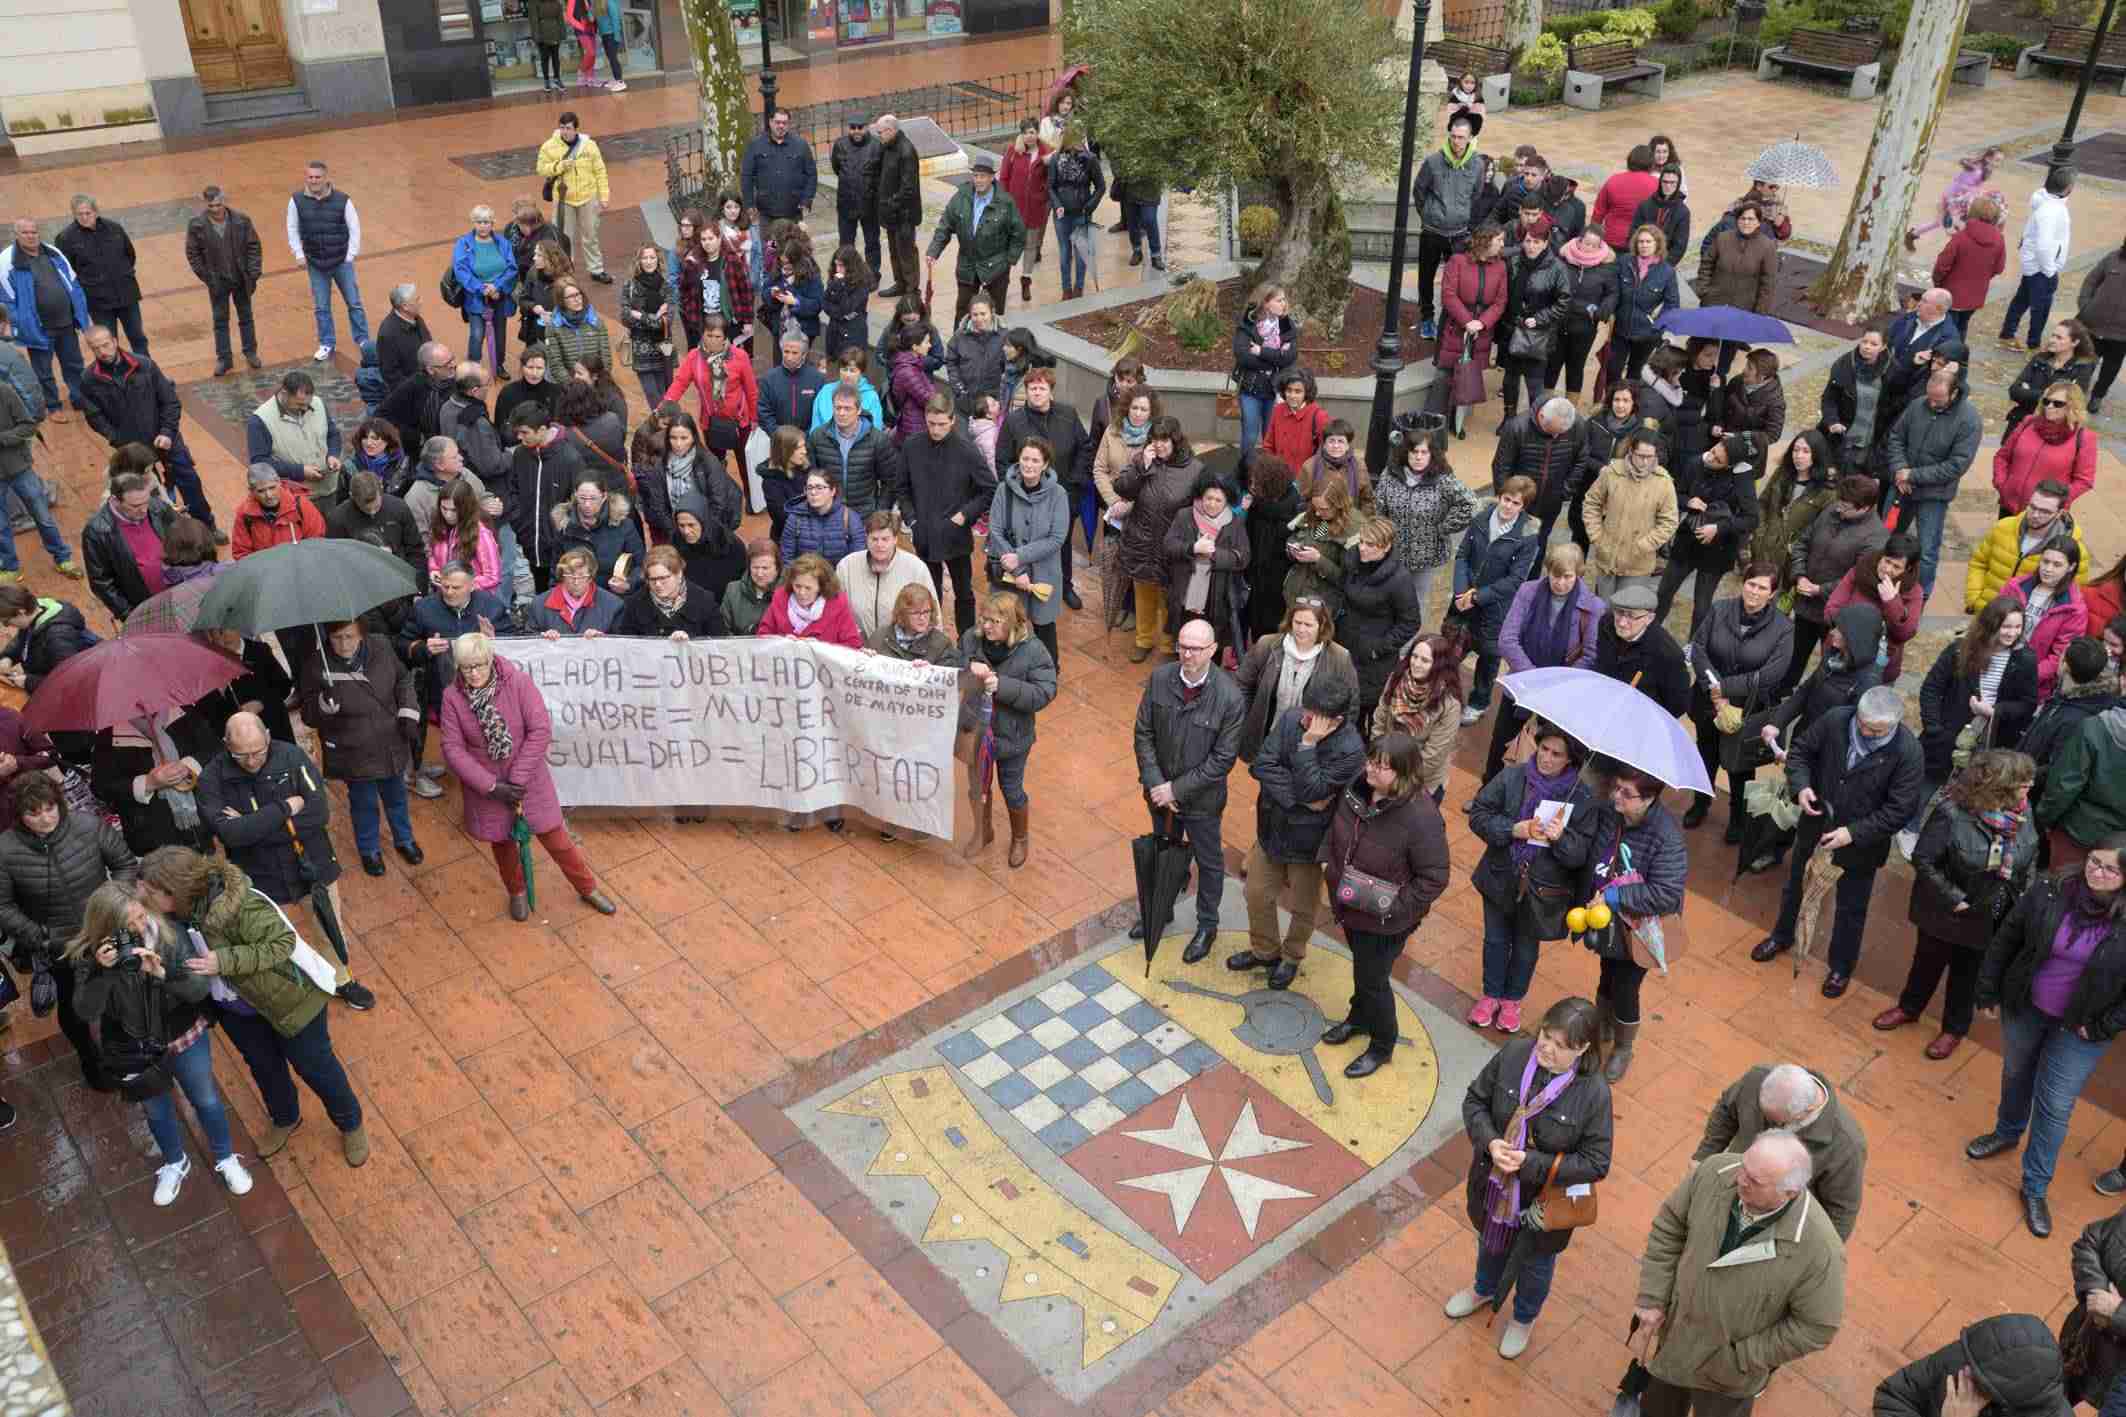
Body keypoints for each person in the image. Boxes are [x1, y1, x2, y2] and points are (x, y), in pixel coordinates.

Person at [140, 844, 369, 1164]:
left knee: (316, 1068)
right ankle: (286, 1118)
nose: (146, 899)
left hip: (291, 1002)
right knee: (265, 1068)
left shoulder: (241, 905)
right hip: (239, 1011)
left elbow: (282, 943)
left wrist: (225, 961)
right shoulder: (179, 915)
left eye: (152, 893)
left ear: (175, 890)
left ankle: (350, 1123)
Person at [1967, 838, 2126, 1238]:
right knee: (2016, 1073)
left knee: (2055, 1106)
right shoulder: (2051, 889)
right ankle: (2006, 1133)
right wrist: (1987, 990)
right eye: (2094, 861)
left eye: (2110, 869)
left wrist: (2105, 1026)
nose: (2097, 872)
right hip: (2027, 1006)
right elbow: (2008, 938)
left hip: (2081, 1029)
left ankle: (2035, 1186)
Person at [1631, 1132, 1846, 1414]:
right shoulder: (1716, 1170)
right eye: (1744, 1166)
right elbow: (1670, 1225)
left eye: (1755, 1180)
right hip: (1674, 1339)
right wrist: (1653, 1295)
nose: (1740, 1179)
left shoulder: (1820, 1250)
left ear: (1789, 1192)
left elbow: (1817, 1326)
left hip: (1728, 1377)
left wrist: (1742, 1358)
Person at [70, 880, 253, 1205]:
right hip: (133, 1049)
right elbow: (86, 1010)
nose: (139, 928)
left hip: (182, 1035)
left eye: (141, 917)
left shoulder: (169, 935)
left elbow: (198, 990)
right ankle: (174, 1161)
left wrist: (162, 974)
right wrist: (103, 973)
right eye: (127, 925)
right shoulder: (91, 955)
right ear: (105, 927)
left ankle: (225, 1157)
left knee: (206, 1099)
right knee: (155, 1110)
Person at [1447, 996, 1611, 1358]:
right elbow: (1475, 1101)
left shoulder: (1594, 1093)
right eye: (1545, 1037)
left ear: (1582, 1049)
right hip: (1493, 1183)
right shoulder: (1516, 1053)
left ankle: (1523, 1318)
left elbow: (1597, 1161)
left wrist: (1531, 1162)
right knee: (1489, 1242)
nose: (1547, 1049)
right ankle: (1484, 1289)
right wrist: (1490, 1142)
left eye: (1559, 1045)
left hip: (1542, 1204)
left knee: (1535, 1264)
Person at [1750, 685, 1925, 998]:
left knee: (1851, 907)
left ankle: (1841, 968)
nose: (1864, 730)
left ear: (1893, 725)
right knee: (1795, 885)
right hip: (1816, 824)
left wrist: (1853, 833)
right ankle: (1781, 935)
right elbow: (1801, 751)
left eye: (1875, 730)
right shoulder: (1836, 720)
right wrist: (1801, 786)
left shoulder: (1908, 752)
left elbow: (1900, 810)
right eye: (1862, 723)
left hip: (1861, 847)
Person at [196, 711, 374, 1009]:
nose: (252, 761)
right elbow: (231, 835)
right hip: (258, 875)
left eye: (258, 751)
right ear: (226, 744)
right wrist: (285, 809)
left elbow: (318, 814)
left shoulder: (292, 757)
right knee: (269, 937)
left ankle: (342, 980)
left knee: (329, 929)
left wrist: (252, 824)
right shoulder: (212, 779)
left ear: (267, 735)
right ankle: (293, 990)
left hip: (312, 864)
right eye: (241, 755)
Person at [441, 633, 617, 920]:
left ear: (490, 660)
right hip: (489, 789)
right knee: (503, 846)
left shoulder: (518, 683)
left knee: (558, 840)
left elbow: (539, 730)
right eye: (466, 667)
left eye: (479, 665)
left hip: (528, 782)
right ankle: (517, 892)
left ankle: (587, 887)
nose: (473, 673)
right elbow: (452, 748)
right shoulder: (452, 697)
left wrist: (518, 779)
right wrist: (491, 786)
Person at [1881, 749, 2042, 1061]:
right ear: (2001, 787)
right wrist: (1955, 899)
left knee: (1968, 974)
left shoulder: (2023, 810)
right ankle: (1909, 1008)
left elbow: (2032, 852)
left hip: (1992, 913)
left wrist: (2025, 890)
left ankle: (1954, 1029)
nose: (2030, 788)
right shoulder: (1952, 812)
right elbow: (1924, 859)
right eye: (2024, 783)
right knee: (1927, 963)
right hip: (1947, 912)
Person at [1320, 730, 1452, 1078]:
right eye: (1370, 761)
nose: (1370, 771)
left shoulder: (1422, 817)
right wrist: (1328, 864)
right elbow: (1334, 826)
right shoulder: (1358, 786)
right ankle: (1358, 1019)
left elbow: (1434, 877)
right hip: (1350, 905)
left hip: (1386, 921)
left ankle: (1382, 1044)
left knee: (1374, 979)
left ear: (1404, 773)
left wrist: (1390, 906)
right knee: (1363, 970)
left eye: (1381, 767)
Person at [0, 773, 137, 1088]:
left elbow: (125, 864)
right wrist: (41, 936)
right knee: (75, 1010)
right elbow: (3, 907)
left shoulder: (88, 826)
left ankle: (130, 1053)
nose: (45, 818)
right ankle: (92, 1063)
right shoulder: (5, 850)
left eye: (49, 808)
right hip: (59, 946)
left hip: (107, 930)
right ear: (20, 816)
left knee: (121, 994)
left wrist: (115, 907)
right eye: (33, 813)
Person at [1234, 673, 1366, 988]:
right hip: (1273, 828)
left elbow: (1314, 789)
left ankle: (1292, 956)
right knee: (1256, 893)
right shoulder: (1293, 717)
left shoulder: (1351, 750)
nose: (1304, 718)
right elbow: (1262, 765)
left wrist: (1307, 746)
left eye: (1313, 717)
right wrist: (1303, 800)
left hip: (1310, 842)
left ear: (1334, 720)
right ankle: (1264, 950)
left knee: (1303, 907)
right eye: (1306, 710)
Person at [1468, 725, 1599, 1030]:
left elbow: (1580, 855)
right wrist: (1513, 829)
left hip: (1543, 890)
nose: (1547, 759)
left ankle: (1512, 1000)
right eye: (1544, 749)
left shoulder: (1581, 798)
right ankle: (1491, 995)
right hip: (1501, 875)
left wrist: (1561, 838)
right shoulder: (1514, 777)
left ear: (1570, 760)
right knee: (1496, 940)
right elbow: (1479, 813)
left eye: (1557, 754)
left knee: (1526, 948)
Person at [1131, 616, 1247, 953]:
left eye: (1196, 648)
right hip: (1159, 794)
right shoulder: (1159, 679)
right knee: (1163, 854)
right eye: (1182, 646)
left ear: (1212, 650)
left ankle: (1206, 926)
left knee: (1210, 863)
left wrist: (1176, 790)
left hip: (1202, 802)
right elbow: (1144, 733)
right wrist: (1156, 784)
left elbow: (1222, 760)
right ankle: (1160, 910)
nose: (1187, 654)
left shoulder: (1229, 697)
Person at [1691, 1062, 1870, 1245]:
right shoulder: (1758, 1078)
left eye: (1774, 1121)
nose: (1767, 1124)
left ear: (1804, 1112)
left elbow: (1841, 1212)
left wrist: (1813, 1257)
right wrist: (1704, 1156)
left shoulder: (1847, 1145)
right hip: (1729, 1194)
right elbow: (1727, 1111)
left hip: (1774, 1228)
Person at [299, 621, 423, 878]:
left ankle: (404, 839)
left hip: (390, 740)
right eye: (336, 638)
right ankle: (369, 849)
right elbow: (308, 714)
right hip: (352, 748)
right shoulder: (316, 663)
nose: (343, 644)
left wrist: (409, 712)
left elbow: (403, 680)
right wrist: (322, 706)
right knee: (363, 802)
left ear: (362, 635)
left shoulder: (382, 646)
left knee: (396, 796)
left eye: (349, 637)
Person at [1682, 563, 1791, 833]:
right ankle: (1700, 802)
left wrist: (1726, 689)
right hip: (1709, 701)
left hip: (1746, 709)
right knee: (1706, 753)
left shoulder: (1783, 628)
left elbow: (1771, 674)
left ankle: (1738, 819)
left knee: (1740, 766)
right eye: (1751, 584)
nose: (1754, 591)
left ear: (1772, 593)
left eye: (1762, 587)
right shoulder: (1720, 609)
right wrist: (1715, 693)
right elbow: (1698, 649)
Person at [76, 327, 216, 529]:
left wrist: (167, 432)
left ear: (115, 341)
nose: (103, 352)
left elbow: (170, 401)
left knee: (189, 481)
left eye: (106, 345)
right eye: (96, 348)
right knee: (148, 494)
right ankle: (168, 532)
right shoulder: (89, 380)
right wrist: (116, 438)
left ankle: (207, 525)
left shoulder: (144, 365)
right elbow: (94, 416)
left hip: (166, 439)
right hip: (131, 449)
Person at [955, 588, 1056, 863]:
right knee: (978, 788)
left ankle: (1019, 839)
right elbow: (953, 664)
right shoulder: (971, 640)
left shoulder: (1033, 650)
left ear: (1013, 622)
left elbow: (1045, 691)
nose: (986, 626)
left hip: (1013, 737)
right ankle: (983, 831)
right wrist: (967, 667)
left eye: (994, 621)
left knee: (1012, 789)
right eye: (984, 619)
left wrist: (1003, 686)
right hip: (975, 732)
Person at [1781, 475, 1888, 696]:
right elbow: (1803, 542)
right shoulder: (1832, 510)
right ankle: (1779, 696)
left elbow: (1860, 578)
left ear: (1865, 508)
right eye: (1839, 503)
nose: (1839, 509)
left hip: (1836, 615)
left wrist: (1820, 590)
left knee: (1830, 667)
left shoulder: (1876, 537)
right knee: (1793, 656)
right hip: (1805, 604)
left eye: (1846, 508)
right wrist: (1800, 575)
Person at [898, 392, 994, 634]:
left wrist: (964, 516)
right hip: (924, 533)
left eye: (942, 424)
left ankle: (966, 642)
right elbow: (902, 487)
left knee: (964, 593)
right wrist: (912, 519)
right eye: (931, 423)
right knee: (929, 594)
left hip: (956, 535)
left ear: (952, 421)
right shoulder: (912, 446)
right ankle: (931, 638)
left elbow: (989, 489)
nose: (936, 430)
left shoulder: (967, 451)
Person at [1451, 479, 1541, 722]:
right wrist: (1462, 592)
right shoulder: (1481, 518)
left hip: (1496, 608)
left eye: (1516, 503)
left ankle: (1479, 702)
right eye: (1506, 499)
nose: (1509, 506)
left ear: (1523, 507)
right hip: (1463, 598)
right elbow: (1462, 556)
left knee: (1489, 656)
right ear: (1499, 496)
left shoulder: (1528, 536)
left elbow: (1515, 580)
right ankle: (1443, 694)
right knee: (1450, 649)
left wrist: (1478, 597)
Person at [1114, 416, 1201, 661]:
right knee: (1144, 593)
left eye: (1164, 440)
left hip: (1171, 545)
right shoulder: (1142, 460)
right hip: (1141, 540)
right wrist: (1142, 467)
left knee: (1169, 597)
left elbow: (1199, 508)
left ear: (1175, 440)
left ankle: (1167, 644)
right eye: (1154, 439)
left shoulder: (1194, 469)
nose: (1159, 445)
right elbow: (1122, 488)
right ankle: (1143, 640)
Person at [1656, 433, 1760, 636]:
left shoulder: (1742, 477)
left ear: (1730, 465)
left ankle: (1693, 647)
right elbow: (1675, 493)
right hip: (1688, 539)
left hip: (1718, 550)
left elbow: (1751, 519)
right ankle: (1650, 631)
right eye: (1713, 451)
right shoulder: (1696, 463)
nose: (1711, 458)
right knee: (1664, 591)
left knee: (1702, 604)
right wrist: (1688, 502)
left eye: (1718, 459)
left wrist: (1719, 528)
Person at [990, 435, 1074, 667]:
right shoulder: (1003, 491)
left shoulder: (1058, 495)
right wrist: (1018, 570)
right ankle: (1008, 668)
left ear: (1045, 464)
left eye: (1035, 460)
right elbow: (995, 531)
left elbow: (1057, 538)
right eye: (1025, 459)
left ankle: (1048, 670)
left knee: (1044, 626)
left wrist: (1020, 557)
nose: (1029, 465)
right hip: (1008, 575)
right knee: (1007, 624)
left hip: (1044, 575)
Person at [1412, 114, 1495, 341]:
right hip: (1432, 231)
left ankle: (1450, 319)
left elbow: (1476, 194)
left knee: (1457, 280)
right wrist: (1429, 213)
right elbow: (1419, 191)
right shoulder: (1432, 162)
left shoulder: (1477, 165)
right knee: (1426, 276)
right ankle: (1426, 317)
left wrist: (1462, 216)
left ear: (1470, 139)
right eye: (1454, 136)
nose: (1456, 141)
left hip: (1459, 233)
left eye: (1461, 138)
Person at [1376, 424, 1474, 612]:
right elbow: (1378, 509)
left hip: (1427, 556)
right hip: (1394, 553)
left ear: (1432, 455)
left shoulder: (1443, 479)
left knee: (1417, 602)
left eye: (1424, 452)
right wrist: (1383, 538)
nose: (1418, 457)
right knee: (1391, 600)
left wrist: (1444, 527)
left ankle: (1415, 641)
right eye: (1414, 452)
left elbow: (1469, 504)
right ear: (1406, 454)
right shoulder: (1390, 475)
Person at [0, 217, 89, 420]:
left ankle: (80, 399)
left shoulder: (52, 252)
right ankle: (52, 407)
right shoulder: (6, 261)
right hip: (38, 328)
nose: (31, 236)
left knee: (74, 364)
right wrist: (21, 326)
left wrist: (81, 315)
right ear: (16, 235)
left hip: (66, 323)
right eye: (25, 232)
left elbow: (72, 282)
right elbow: (6, 300)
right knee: (44, 372)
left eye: (34, 232)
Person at [1339, 516, 1422, 732]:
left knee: (1366, 714)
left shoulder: (1399, 580)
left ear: (1386, 547)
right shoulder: (1352, 560)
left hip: (1373, 660)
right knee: (1341, 706)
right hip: (1345, 645)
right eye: (1362, 541)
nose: (1363, 548)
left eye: (1370, 544)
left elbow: (1411, 622)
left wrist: (1378, 649)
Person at [928, 157, 1028, 327]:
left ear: (991, 177)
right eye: (975, 176)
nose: (979, 180)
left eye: (983, 176)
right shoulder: (961, 198)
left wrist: (1009, 260)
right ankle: (959, 347)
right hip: (968, 265)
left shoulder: (1005, 202)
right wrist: (933, 251)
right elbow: (945, 226)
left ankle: (992, 349)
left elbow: (1019, 233)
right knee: (963, 311)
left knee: (993, 314)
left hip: (996, 266)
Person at [1582, 430, 1679, 603]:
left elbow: (1669, 522)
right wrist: (1597, 536)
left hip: (1638, 564)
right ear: (1631, 452)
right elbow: (1591, 503)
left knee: (1626, 612)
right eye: (1641, 456)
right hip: (1608, 557)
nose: (1645, 461)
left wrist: (1645, 545)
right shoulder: (1611, 473)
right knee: (1602, 612)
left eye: (1650, 457)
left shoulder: (1664, 482)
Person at [286, 161, 368, 363]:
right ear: (306, 178)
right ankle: (326, 343)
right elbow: (292, 228)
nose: (314, 180)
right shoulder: (296, 201)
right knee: (321, 306)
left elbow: (354, 227)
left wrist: (350, 255)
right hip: (316, 263)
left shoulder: (342, 200)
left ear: (326, 178)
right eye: (310, 177)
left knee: (354, 302)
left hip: (341, 261)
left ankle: (363, 339)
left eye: (318, 177)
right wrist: (298, 253)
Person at [0, 380, 77, 584]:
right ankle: (9, 567)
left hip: (20, 469)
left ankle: (63, 557)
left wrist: (2, 438)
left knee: (43, 516)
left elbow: (28, 426)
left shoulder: (5, 391)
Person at [1490, 397, 1590, 556]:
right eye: (1553, 431)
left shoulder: (1576, 425)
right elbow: (1501, 466)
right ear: (1542, 417)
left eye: (1561, 433)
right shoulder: (1517, 427)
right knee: (1508, 543)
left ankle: (1531, 579)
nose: (1557, 436)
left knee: (1539, 544)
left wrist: (1565, 490)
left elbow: (1581, 459)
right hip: (1519, 501)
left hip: (1551, 502)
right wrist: (1506, 499)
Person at [1822, 536, 1922, 688]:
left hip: (1878, 670)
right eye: (1887, 561)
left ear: (1907, 569)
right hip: (1841, 655)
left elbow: (1904, 634)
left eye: (1896, 567)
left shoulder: (1913, 592)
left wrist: (1892, 602)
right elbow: (1831, 610)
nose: (1888, 570)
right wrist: (1856, 631)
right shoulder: (1861, 571)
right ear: (1882, 554)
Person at [185, 186, 263, 376]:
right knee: (220, 320)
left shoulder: (241, 220)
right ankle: (224, 359)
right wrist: (207, 276)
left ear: (224, 201)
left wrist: (253, 273)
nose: (216, 209)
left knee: (246, 316)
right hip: (217, 282)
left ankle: (250, 352)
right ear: (205, 204)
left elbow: (254, 246)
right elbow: (192, 253)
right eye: (211, 206)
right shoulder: (197, 225)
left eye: (218, 205)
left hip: (241, 277)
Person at [80, 468, 174, 623]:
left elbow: (184, 537)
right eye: (135, 506)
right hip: (145, 611)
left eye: (146, 502)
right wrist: (129, 615)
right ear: (116, 501)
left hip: (176, 595)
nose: (144, 510)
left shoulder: (157, 507)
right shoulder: (97, 532)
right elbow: (101, 583)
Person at [1437, 225, 1510, 423]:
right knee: (1445, 376)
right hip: (1455, 326)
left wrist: (1482, 323)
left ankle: (1458, 423)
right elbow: (1448, 294)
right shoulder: (1457, 261)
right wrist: (1467, 321)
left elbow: (1500, 301)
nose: (1503, 244)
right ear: (1486, 240)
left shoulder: (1501, 266)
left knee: (1470, 375)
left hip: (1481, 330)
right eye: (1499, 240)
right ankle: (1437, 421)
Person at [245, 370, 344, 510]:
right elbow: (260, 462)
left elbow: (332, 433)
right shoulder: (260, 421)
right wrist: (300, 471)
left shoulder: (317, 403)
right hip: (295, 499)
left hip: (329, 489)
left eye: (308, 404)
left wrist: (333, 454)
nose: (305, 409)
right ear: (284, 394)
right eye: (299, 404)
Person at [2004, 542, 2091, 701]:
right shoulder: (2016, 586)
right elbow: (1992, 621)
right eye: (2045, 561)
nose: (2048, 569)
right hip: (1998, 663)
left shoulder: (2074, 609)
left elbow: (2060, 655)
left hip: (2031, 683)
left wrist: (2026, 676)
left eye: (2057, 564)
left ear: (2071, 567)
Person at [1499, 224, 1568, 421]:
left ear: (1545, 243)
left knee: (1534, 382)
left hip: (1539, 334)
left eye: (1536, 242)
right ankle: (1508, 418)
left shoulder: (1556, 268)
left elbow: (1563, 302)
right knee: (1510, 379)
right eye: (1528, 241)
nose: (1531, 246)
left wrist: (1539, 319)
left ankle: (1535, 421)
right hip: (1512, 328)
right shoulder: (1514, 261)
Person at [2002, 168, 2074, 352]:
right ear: (2067, 188)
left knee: (2022, 300)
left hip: (2034, 265)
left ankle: (2007, 333)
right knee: (2040, 308)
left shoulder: (2046, 203)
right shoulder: (2051, 211)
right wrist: (2050, 269)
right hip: (2041, 268)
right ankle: (2033, 344)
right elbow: (2044, 245)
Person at [536, 113, 611, 285]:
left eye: (568, 128)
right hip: (563, 200)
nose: (565, 131)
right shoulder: (549, 146)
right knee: (563, 237)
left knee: (590, 235)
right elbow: (541, 169)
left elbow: (600, 171)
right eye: (562, 127)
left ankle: (596, 269)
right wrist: (559, 166)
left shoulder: (589, 146)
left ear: (576, 129)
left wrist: (604, 196)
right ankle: (564, 270)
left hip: (587, 197)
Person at [807, 385, 900, 521]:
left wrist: (879, 513)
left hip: (864, 516)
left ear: (859, 410)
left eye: (847, 408)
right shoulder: (818, 437)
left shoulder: (878, 440)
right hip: (827, 513)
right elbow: (810, 475)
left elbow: (890, 481)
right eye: (837, 408)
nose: (841, 413)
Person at [837, 510, 929, 642]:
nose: (879, 545)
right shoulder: (846, 566)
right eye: (874, 539)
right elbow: (835, 612)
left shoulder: (916, 568)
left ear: (895, 540)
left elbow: (931, 617)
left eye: (885, 539)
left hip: (902, 652)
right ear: (866, 539)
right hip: (857, 649)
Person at [1548, 227, 1617, 399]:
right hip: (1557, 323)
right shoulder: (1561, 260)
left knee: (1576, 367)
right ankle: (1544, 404)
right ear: (1579, 241)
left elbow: (1612, 293)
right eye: (1587, 243)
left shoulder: (1606, 268)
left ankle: (1571, 409)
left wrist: (1604, 310)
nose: (1590, 248)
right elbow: (1550, 284)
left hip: (1584, 327)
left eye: (1595, 245)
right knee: (1552, 365)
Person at [1233, 286, 1298, 458]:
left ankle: (1267, 475)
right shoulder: (1249, 321)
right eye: (1279, 300)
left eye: (1284, 299)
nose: (1284, 304)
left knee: (1271, 438)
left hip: (1275, 389)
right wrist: (1276, 358)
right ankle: (1245, 474)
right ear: (1266, 303)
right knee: (1250, 436)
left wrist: (1261, 351)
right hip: (1251, 389)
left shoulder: (1284, 322)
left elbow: (1290, 357)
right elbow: (1242, 355)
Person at [1931, 194, 2007, 338]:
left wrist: (1938, 283)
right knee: (1962, 327)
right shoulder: (1999, 240)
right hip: (1975, 297)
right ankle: (1958, 355)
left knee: (1945, 330)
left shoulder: (1960, 238)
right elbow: (1999, 268)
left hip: (1951, 294)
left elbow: (1942, 265)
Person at [1612, 225, 1679, 386]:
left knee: (1634, 374)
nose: (1644, 245)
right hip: (1620, 329)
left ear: (1657, 244)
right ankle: (1609, 402)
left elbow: (1672, 304)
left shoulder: (1667, 271)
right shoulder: (1624, 262)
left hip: (1647, 334)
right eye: (1641, 241)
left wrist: (1657, 325)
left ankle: (1629, 406)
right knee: (1613, 370)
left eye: (1648, 241)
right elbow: (1612, 290)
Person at [755, 551, 864, 649]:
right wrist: (781, 642)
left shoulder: (837, 604)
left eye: (808, 588)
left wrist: (820, 648)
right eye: (797, 586)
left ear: (821, 587)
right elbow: (763, 636)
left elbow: (852, 644)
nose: (802, 593)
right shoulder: (780, 598)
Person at [1818, 329, 1892, 474]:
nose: (1867, 346)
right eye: (1864, 341)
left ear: (1883, 347)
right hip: (1841, 435)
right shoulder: (1844, 364)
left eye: (1874, 344)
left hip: (1869, 441)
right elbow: (1829, 398)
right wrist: (1832, 421)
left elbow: (1896, 405)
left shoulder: (1892, 370)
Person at [616, 544, 723, 640]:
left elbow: (719, 643)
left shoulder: (704, 600)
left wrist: (691, 643)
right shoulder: (634, 604)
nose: (657, 584)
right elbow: (627, 647)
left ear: (679, 574)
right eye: (652, 579)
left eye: (663, 578)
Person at [231, 463, 327, 561]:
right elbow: (241, 553)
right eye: (261, 491)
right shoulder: (244, 515)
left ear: (279, 483)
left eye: (272, 488)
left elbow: (316, 541)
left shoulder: (301, 505)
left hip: (299, 566)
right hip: (266, 571)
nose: (268, 495)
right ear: (251, 491)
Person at [0, 584, 90, 690]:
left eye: (6, 622)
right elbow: (24, 639)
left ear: (21, 612)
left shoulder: (58, 639)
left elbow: (69, 680)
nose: (7, 626)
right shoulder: (35, 613)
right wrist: (8, 658)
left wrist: (29, 682)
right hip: (41, 670)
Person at [873, 115, 923, 300]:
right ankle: (900, 283)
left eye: (881, 133)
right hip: (891, 210)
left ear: (891, 130)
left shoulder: (906, 151)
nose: (879, 136)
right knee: (894, 249)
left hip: (904, 212)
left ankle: (911, 288)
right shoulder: (887, 147)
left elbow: (908, 187)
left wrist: (892, 203)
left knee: (906, 250)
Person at [742, 108, 818, 227]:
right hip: (767, 213)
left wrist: (807, 199)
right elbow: (746, 176)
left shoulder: (800, 145)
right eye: (778, 122)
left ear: (789, 124)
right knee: (770, 245)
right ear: (770, 122)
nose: (781, 126)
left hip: (793, 212)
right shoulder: (756, 145)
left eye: (784, 123)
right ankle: (771, 246)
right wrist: (749, 203)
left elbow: (811, 174)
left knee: (791, 245)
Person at [780, 462, 865, 566]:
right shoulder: (795, 518)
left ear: (832, 491)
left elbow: (857, 559)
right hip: (804, 579)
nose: (813, 493)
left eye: (819, 487)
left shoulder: (850, 518)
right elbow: (787, 558)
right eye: (809, 488)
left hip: (839, 579)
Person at [830, 117, 884, 278]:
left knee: (872, 241)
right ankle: (848, 273)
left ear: (866, 127)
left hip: (870, 203)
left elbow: (881, 172)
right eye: (853, 127)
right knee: (846, 242)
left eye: (860, 127)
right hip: (847, 202)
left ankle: (872, 273)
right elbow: (836, 167)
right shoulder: (840, 145)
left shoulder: (876, 145)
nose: (856, 131)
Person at [1592, 145, 1663, 252]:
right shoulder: (1657, 185)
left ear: (1629, 161)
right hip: (1642, 243)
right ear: (1651, 164)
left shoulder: (1613, 180)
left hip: (1611, 240)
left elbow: (1598, 214)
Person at [760, 328, 828, 439]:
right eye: (786, 352)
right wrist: (778, 435)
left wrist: (806, 436)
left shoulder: (818, 379)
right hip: (778, 441)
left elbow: (821, 413)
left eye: (794, 353)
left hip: (809, 442)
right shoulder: (769, 379)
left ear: (804, 355)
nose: (789, 357)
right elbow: (764, 411)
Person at [870, 581, 958, 663]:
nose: (922, 618)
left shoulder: (941, 644)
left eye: (926, 611)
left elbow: (949, 676)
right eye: (916, 613)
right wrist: (866, 659)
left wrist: (929, 672)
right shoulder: (880, 636)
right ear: (902, 613)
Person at [539, 279, 610, 375]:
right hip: (571, 384)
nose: (577, 299)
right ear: (561, 301)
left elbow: (606, 357)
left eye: (578, 294)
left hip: (596, 379)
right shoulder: (553, 327)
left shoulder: (596, 321)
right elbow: (556, 364)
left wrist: (599, 379)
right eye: (571, 297)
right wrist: (573, 385)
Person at [945, 295, 1005, 404]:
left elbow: (1009, 366)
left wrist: (1000, 393)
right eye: (975, 315)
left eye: (983, 314)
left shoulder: (1003, 337)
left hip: (992, 402)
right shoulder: (959, 337)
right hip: (965, 401)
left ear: (992, 312)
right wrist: (959, 389)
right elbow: (951, 362)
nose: (979, 319)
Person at [1632, 165, 1690, 267]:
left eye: (1672, 183)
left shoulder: (1682, 212)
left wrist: (1663, 267)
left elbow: (1679, 246)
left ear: (1678, 184)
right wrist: (1639, 261)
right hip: (1640, 261)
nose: (1668, 186)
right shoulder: (1645, 205)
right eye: (1665, 182)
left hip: (1664, 265)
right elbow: (1634, 233)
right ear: (1660, 182)